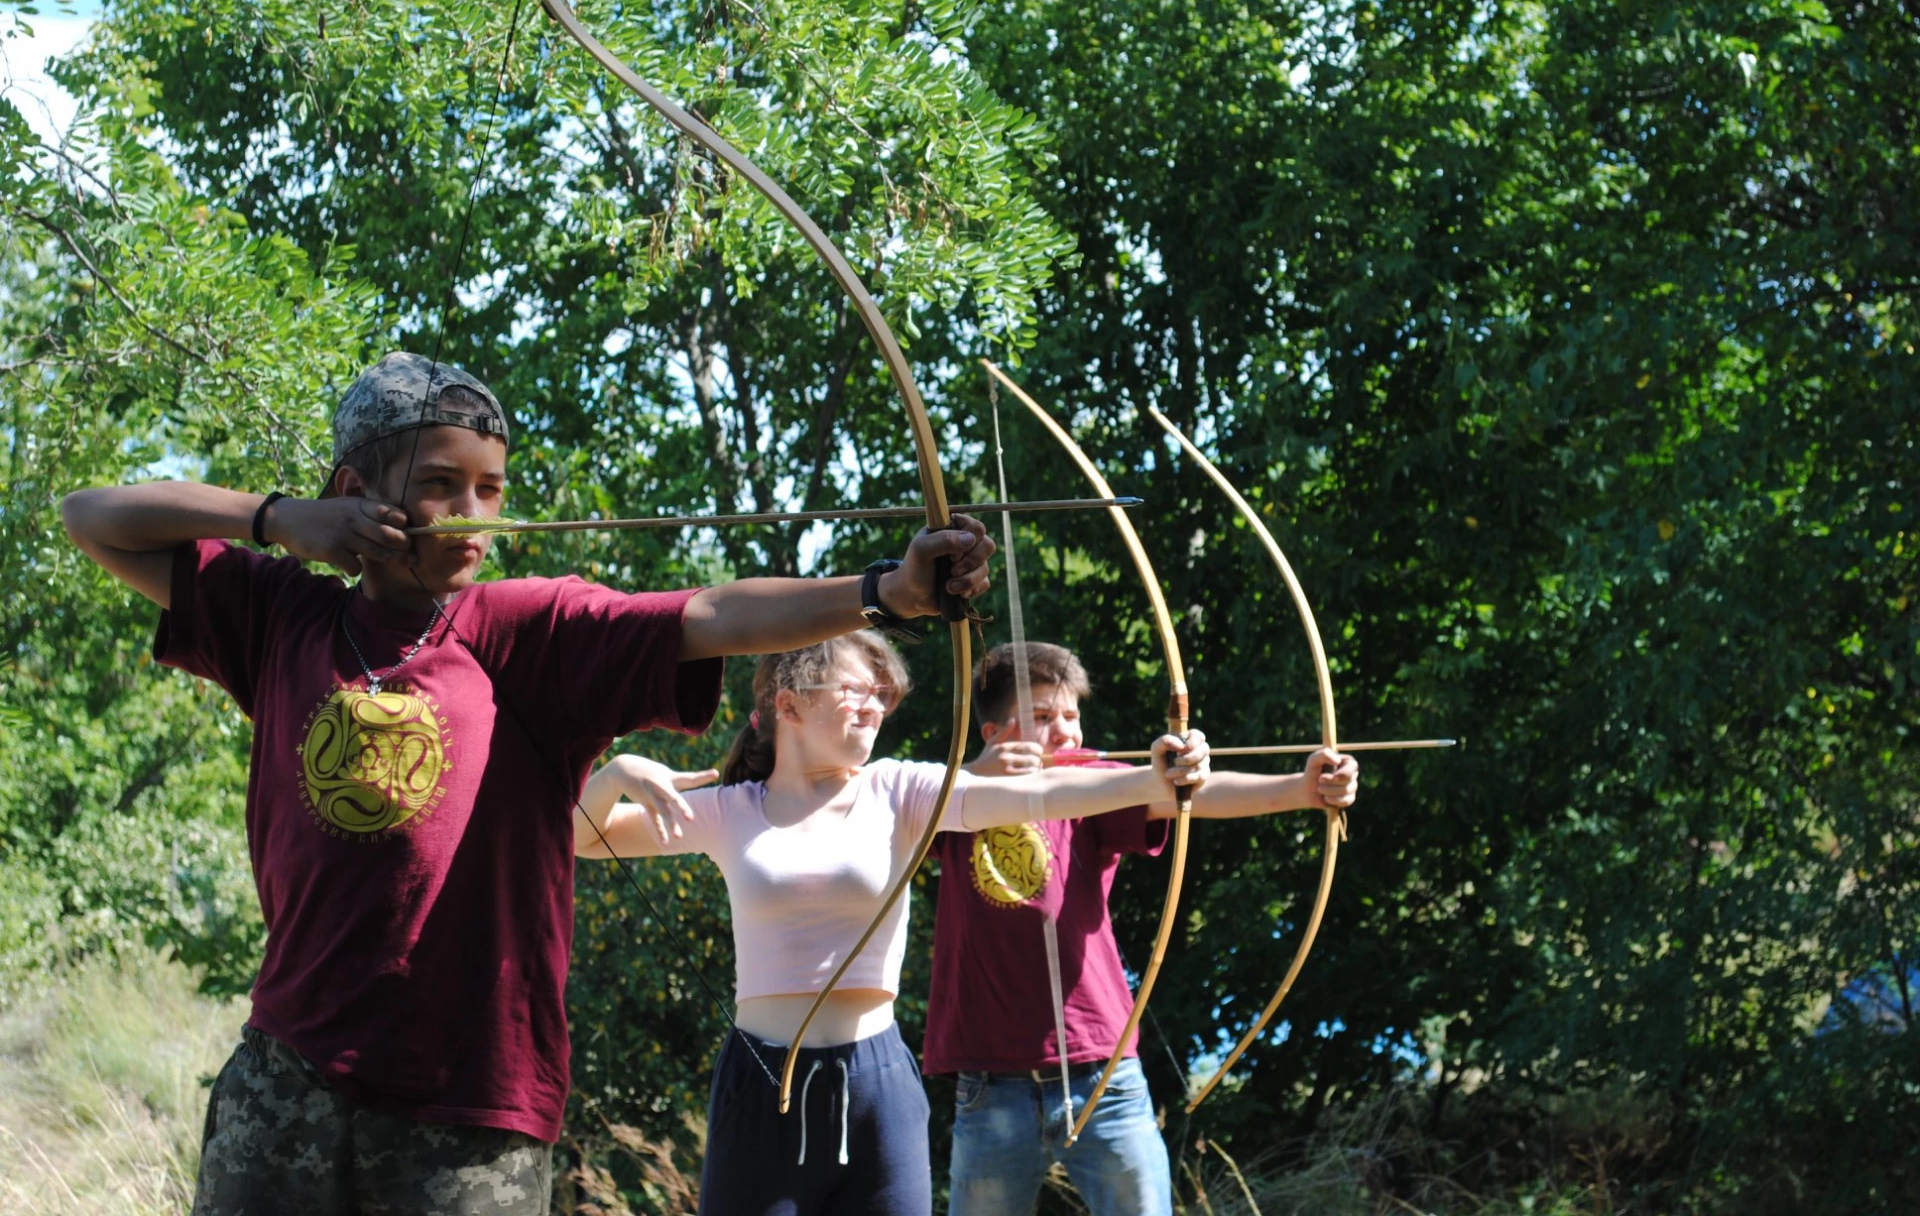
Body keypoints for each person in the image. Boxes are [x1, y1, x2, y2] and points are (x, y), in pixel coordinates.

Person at [58, 351, 996, 1216]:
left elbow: (710, 612)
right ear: (354, 494)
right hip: (287, 1073)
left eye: (491, 487)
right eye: (440, 484)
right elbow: (91, 516)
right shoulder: (280, 614)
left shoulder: (529, 632)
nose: (474, 511)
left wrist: (886, 593)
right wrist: (274, 519)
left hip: (473, 1102)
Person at [574, 629, 1211, 1215]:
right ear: (789, 704)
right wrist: (619, 772)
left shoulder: (898, 789)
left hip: (878, 1085)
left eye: (882, 696)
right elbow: (584, 836)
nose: (875, 707)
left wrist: (1153, 780)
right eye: (856, 690)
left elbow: (1034, 794)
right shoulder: (731, 810)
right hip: (762, 1084)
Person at [925, 641, 1359, 1216]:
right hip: (990, 1080)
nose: (1065, 732)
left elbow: (1186, 794)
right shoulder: (950, 801)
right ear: (993, 733)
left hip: (1102, 1073)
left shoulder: (1098, 789)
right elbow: (888, 800)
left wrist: (1302, 789)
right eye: (1043, 717)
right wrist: (976, 775)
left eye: (1072, 716)